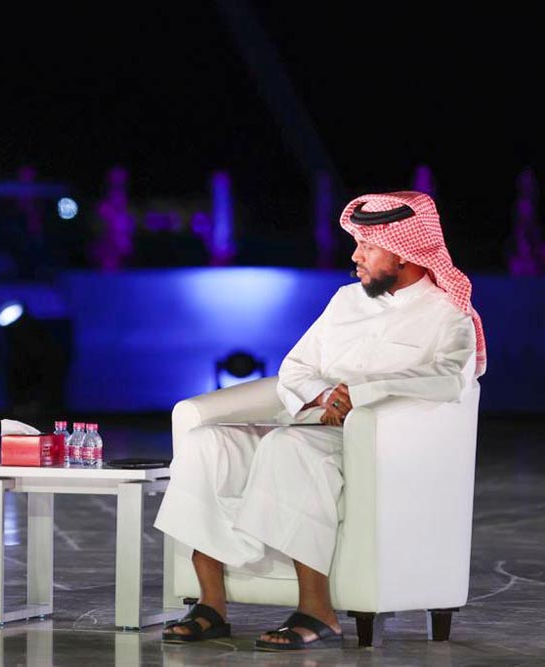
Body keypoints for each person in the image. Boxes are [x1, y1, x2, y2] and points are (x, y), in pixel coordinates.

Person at [155, 191, 485, 650]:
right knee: (206, 442)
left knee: (287, 449)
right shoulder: (345, 302)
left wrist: (361, 395)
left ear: (405, 253)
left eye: (367, 246)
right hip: (308, 423)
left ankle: (318, 611)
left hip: (376, 444)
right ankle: (211, 605)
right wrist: (326, 395)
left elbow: (451, 380)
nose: (356, 256)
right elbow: (294, 369)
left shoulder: (447, 316)